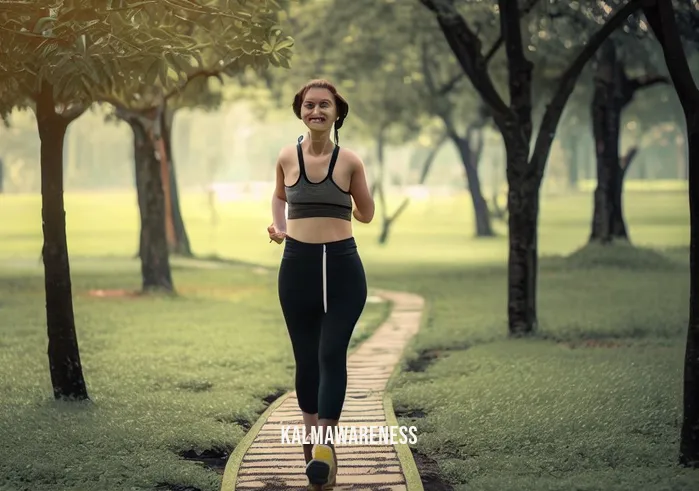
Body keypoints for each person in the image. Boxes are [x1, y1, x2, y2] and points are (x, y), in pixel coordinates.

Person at [267, 79, 375, 490]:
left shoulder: (350, 161)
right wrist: (279, 224)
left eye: (324, 105)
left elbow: (366, 214)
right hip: (297, 267)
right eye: (309, 105)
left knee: (331, 352)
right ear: (300, 111)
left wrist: (344, 196)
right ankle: (312, 449)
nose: (316, 111)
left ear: (336, 113)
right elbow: (279, 196)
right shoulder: (285, 157)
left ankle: (325, 450)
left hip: (344, 270)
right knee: (306, 359)